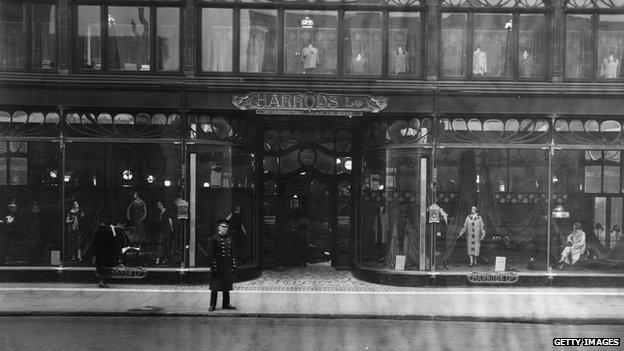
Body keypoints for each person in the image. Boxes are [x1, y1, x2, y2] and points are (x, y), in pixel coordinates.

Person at [208, 219, 237, 311]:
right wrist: (213, 267)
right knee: (215, 287)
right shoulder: (214, 239)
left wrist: (234, 265)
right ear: (219, 227)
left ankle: (226, 304)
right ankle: (212, 305)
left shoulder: (230, 239)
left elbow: (233, 253)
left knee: (226, 286)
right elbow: (211, 255)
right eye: (223, 227)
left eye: (226, 227)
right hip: (218, 266)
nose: (225, 229)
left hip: (227, 266)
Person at [93, 220, 121, 288]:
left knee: (100, 268)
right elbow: (112, 242)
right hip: (107, 254)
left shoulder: (98, 232)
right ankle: (104, 282)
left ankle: (100, 282)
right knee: (106, 268)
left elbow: (95, 244)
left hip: (99, 254)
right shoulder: (108, 232)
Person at [156, 201, 173, 265]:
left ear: (162, 205)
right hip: (162, 230)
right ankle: (161, 258)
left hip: (166, 230)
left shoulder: (166, 212)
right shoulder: (161, 213)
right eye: (158, 206)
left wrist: (171, 228)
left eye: (160, 205)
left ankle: (163, 258)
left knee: (164, 244)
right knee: (162, 244)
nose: (159, 207)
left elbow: (170, 220)